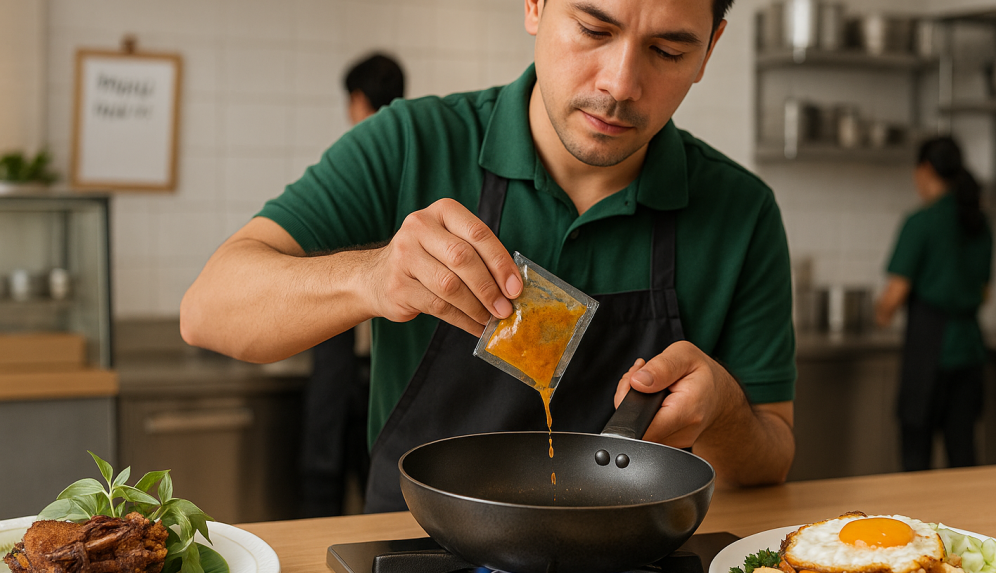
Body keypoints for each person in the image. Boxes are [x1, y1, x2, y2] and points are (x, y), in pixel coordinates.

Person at [181, 0, 797, 513]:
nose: (619, 84)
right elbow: (208, 310)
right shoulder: (411, 144)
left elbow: (770, 458)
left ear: (710, 49)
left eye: (668, 51)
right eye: (593, 29)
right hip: (407, 558)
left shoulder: (742, 213)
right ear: (535, 4)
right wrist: (372, 277)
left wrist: (722, 413)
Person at [297, 53, 407, 517]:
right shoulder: (415, 160)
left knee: (323, 466)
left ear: (358, 100)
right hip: (395, 350)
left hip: (340, 342)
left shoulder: (357, 163)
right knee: (377, 466)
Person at [875, 136, 994, 472]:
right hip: (970, 348)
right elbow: (986, 291)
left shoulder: (921, 222)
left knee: (916, 460)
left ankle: (918, 527)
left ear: (925, 169)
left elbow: (894, 295)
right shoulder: (980, 223)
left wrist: (879, 314)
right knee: (963, 455)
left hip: (929, 351)